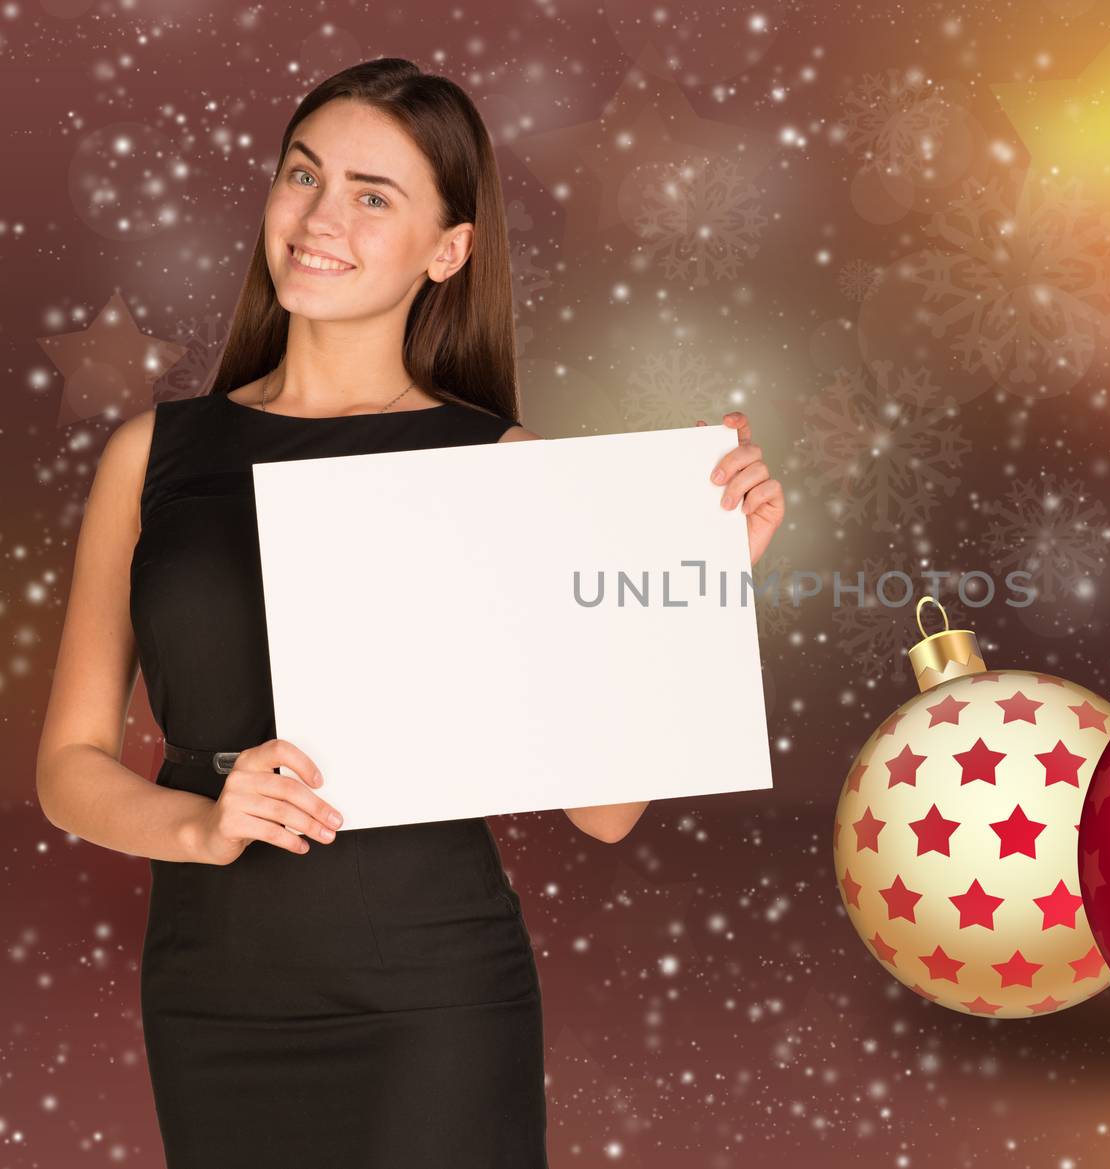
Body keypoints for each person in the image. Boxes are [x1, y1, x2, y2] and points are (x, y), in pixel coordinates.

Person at [34, 57, 784, 1169]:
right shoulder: (153, 454)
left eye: (372, 195)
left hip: (433, 998)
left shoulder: (502, 465)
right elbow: (69, 765)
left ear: (449, 250)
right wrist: (201, 825)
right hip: (210, 992)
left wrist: (704, 584)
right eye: (304, 175)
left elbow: (605, 812)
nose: (320, 217)